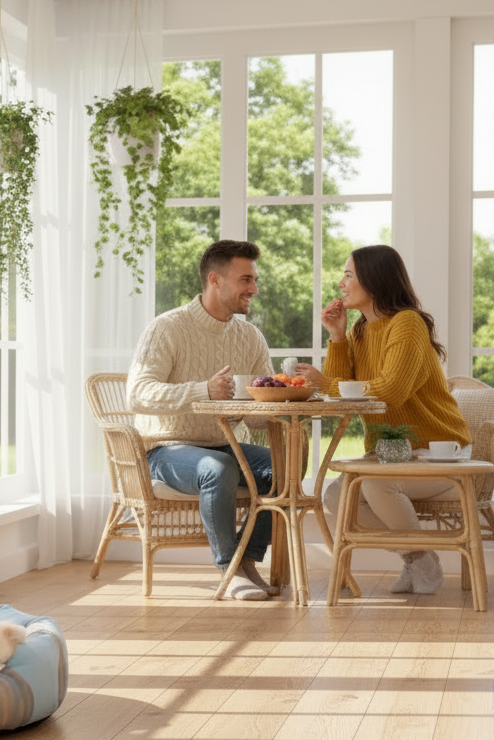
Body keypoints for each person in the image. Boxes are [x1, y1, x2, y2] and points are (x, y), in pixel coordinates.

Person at [296, 244, 470, 595]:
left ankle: (419, 561)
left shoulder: (407, 323)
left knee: (374, 484)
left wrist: (324, 381)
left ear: (373, 279)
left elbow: (392, 390)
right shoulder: (360, 331)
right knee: (335, 496)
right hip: (392, 454)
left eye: (349, 275)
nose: (341, 283)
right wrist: (338, 337)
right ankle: (419, 558)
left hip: (439, 452)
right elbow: (340, 398)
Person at [127, 240, 276, 600]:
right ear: (215, 280)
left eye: (254, 280)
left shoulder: (250, 337)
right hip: (165, 450)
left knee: (283, 466)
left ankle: (247, 559)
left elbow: (259, 416)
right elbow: (137, 394)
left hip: (224, 442)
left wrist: (269, 400)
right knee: (218, 467)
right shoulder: (168, 328)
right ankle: (228, 569)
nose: (254, 289)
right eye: (245, 280)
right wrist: (202, 391)